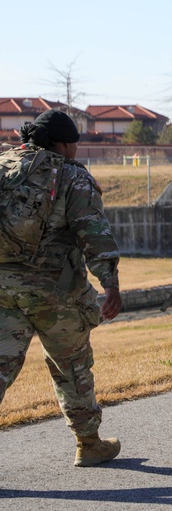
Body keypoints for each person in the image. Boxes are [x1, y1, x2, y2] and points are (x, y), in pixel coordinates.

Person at [0, 111, 123, 467]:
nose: (75, 151)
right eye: (73, 145)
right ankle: (88, 444)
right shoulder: (71, 176)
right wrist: (110, 284)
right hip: (57, 292)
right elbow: (93, 234)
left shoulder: (4, 165)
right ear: (63, 143)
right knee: (71, 365)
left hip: (3, 286)